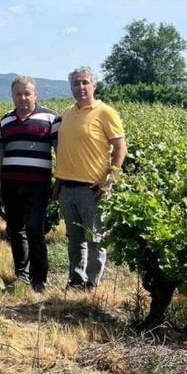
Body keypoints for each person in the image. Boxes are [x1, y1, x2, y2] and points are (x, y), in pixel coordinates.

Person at [52, 67, 128, 290]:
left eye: (85, 82)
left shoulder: (106, 112)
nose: (80, 87)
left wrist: (109, 180)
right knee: (75, 240)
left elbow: (120, 148)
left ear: (94, 86)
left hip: (92, 188)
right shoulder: (67, 113)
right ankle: (76, 280)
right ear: (71, 87)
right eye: (76, 83)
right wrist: (58, 184)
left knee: (95, 240)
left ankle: (92, 284)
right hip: (68, 188)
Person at [0, 76, 60, 292]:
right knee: (15, 230)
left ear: (35, 95)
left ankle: (39, 279)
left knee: (34, 230)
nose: (23, 98)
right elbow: (0, 152)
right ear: (12, 96)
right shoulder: (5, 121)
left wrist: (59, 180)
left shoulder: (51, 118)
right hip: (11, 185)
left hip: (38, 186)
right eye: (18, 94)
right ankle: (21, 275)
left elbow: (60, 151)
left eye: (27, 93)